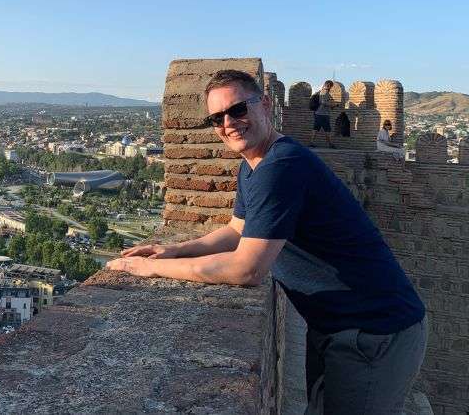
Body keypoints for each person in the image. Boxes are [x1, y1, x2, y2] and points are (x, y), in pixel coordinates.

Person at [107, 69, 426, 414]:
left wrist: (153, 270)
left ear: (265, 104)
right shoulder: (256, 164)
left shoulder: (281, 165)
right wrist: (173, 249)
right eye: (217, 118)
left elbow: (248, 269)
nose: (228, 123)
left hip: (374, 332)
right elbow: (236, 230)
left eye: (238, 110)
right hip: (340, 326)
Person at [310, 80, 336, 148]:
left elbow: (327, 101)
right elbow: (323, 102)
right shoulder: (324, 92)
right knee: (327, 129)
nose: (331, 87)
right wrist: (332, 105)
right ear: (329, 85)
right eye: (331, 86)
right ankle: (330, 144)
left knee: (316, 128)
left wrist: (332, 104)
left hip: (318, 113)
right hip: (323, 114)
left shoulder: (322, 92)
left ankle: (312, 142)